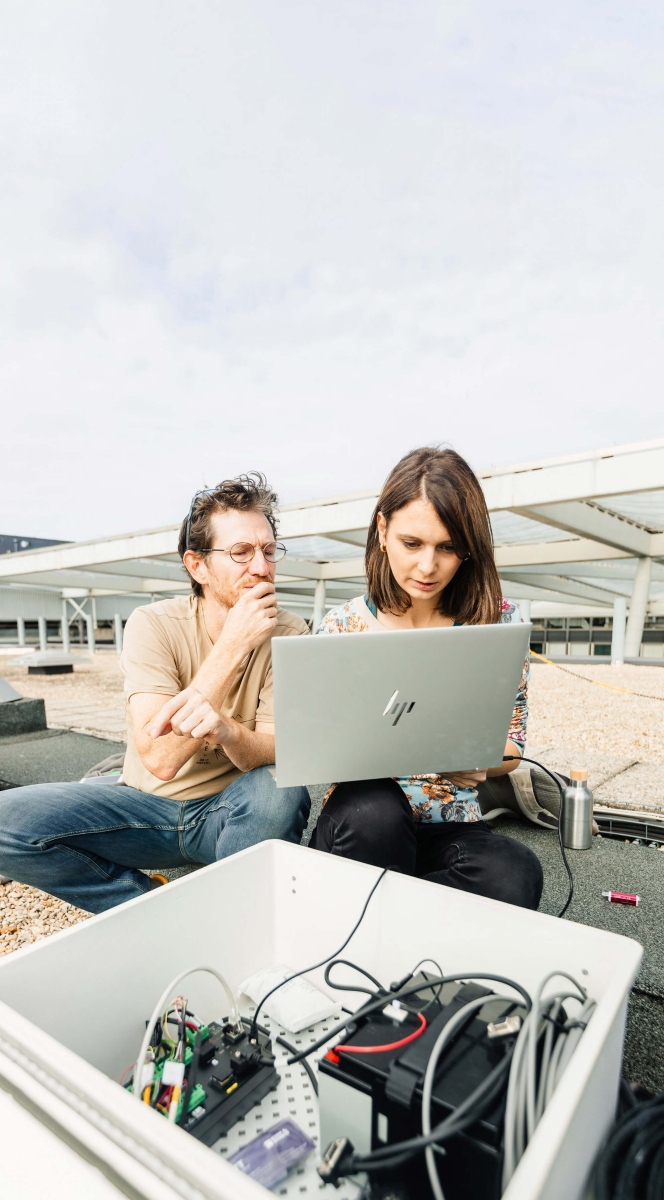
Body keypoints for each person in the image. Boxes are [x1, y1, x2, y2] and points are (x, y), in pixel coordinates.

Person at [0, 474, 311, 913]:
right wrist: (232, 647)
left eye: (268, 550)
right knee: (5, 822)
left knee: (281, 789)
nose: (261, 567)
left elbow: (274, 752)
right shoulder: (152, 624)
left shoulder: (291, 631)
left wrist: (228, 732)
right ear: (196, 566)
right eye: (241, 553)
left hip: (231, 813)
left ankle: (230, 916)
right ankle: (153, 909)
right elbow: (161, 760)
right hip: (143, 810)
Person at [309, 447, 543, 910]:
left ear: (468, 547)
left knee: (514, 873)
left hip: (452, 822)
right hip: (363, 820)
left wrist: (483, 763)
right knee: (375, 813)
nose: (428, 567)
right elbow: (317, 750)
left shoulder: (498, 624)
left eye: (448, 547)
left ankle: (377, 915)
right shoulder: (340, 627)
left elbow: (514, 744)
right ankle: (417, 923)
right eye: (411, 543)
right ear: (382, 531)